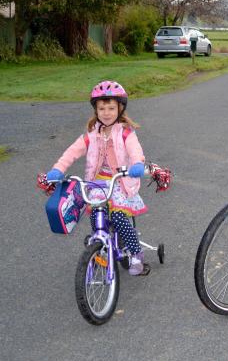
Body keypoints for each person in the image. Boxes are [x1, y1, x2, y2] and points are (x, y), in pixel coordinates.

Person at [46, 81, 151, 276]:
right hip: (97, 182)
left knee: (119, 217)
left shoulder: (125, 133)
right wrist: (58, 169)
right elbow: (72, 152)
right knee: (96, 217)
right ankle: (101, 246)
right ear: (96, 110)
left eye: (111, 108)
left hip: (120, 180)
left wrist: (137, 164)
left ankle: (136, 253)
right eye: (101, 108)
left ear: (120, 108)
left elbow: (135, 150)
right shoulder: (92, 134)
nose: (106, 112)